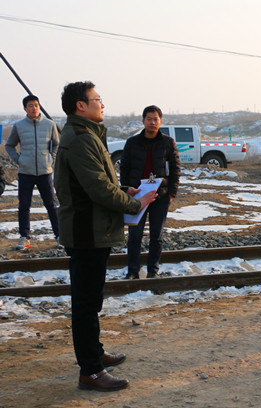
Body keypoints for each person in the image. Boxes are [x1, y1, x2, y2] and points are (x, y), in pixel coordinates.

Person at [54, 81, 158, 391]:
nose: (102, 104)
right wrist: (134, 203)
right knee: (86, 304)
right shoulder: (81, 139)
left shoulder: (85, 135)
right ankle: (90, 371)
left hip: (91, 227)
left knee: (91, 299)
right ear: (81, 106)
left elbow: (98, 180)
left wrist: (124, 190)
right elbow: (98, 188)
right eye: (97, 99)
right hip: (87, 230)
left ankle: (95, 353)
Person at [120, 105, 181, 279]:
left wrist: (171, 193)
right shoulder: (132, 142)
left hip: (159, 195)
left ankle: (153, 271)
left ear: (160, 121)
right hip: (137, 195)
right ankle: (133, 271)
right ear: (143, 121)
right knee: (134, 236)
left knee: (156, 236)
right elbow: (124, 167)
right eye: (149, 119)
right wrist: (126, 189)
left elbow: (175, 169)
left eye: (155, 119)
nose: (152, 122)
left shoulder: (168, 142)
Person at [4, 95, 60, 250]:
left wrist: (51, 158)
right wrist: (18, 159)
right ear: (25, 108)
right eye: (30, 105)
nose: (34, 108)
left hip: (45, 171)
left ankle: (59, 236)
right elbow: (9, 145)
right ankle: (24, 238)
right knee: (24, 205)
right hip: (25, 172)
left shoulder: (49, 124)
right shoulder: (19, 126)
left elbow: (56, 144)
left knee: (51, 205)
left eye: (36, 105)